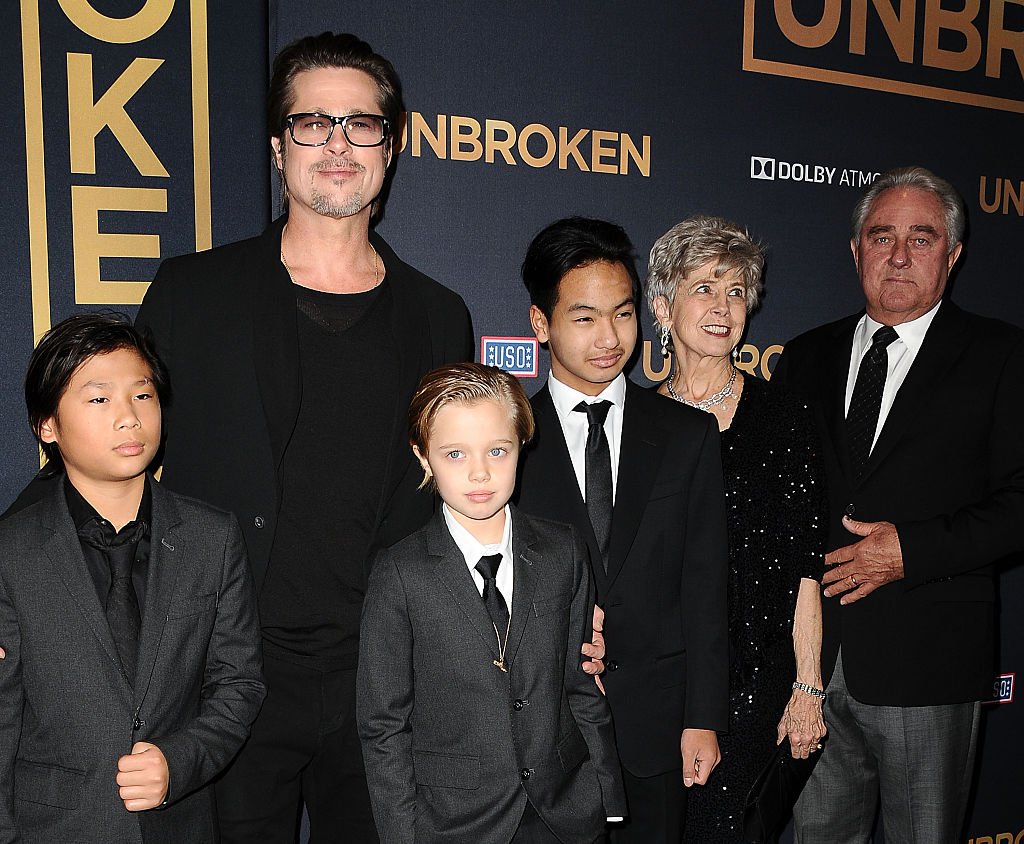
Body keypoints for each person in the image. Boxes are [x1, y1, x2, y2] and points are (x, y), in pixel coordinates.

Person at [133, 32, 473, 843]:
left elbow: (472, 495)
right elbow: (104, 459)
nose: (338, 144)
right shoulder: (193, 292)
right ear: (280, 147)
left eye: (361, 125)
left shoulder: (440, 314)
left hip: (384, 679)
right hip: (227, 676)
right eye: (313, 123)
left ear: (391, 148)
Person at [772, 165, 1024, 843]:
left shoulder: (1003, 356)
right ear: (856, 252)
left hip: (929, 660)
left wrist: (910, 550)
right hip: (811, 666)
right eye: (882, 237)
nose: (900, 254)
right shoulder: (802, 358)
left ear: (954, 253)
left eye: (922, 237)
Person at [0, 314, 264, 843]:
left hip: (180, 825)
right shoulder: (11, 552)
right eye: (99, 399)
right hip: (52, 828)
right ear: (46, 425)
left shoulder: (212, 538)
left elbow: (238, 683)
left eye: (142, 396)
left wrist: (179, 761)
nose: (129, 418)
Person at [515, 217, 729, 842]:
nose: (610, 337)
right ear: (540, 323)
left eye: (624, 313)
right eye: (584, 317)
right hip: (543, 728)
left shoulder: (687, 436)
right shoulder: (505, 442)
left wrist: (703, 718)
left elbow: (705, 587)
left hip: (657, 727)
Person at [357, 363, 626, 843]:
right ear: (423, 458)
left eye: (497, 451)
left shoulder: (563, 551)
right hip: (455, 822)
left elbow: (582, 686)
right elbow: (383, 727)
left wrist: (608, 800)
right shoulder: (400, 573)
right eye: (455, 453)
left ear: (521, 446)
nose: (479, 472)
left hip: (564, 814)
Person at [645, 215, 827, 840]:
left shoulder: (785, 419)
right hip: (660, 676)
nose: (723, 307)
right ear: (662, 307)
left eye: (737, 292)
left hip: (758, 680)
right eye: (704, 289)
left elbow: (806, 565)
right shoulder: (634, 421)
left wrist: (808, 684)